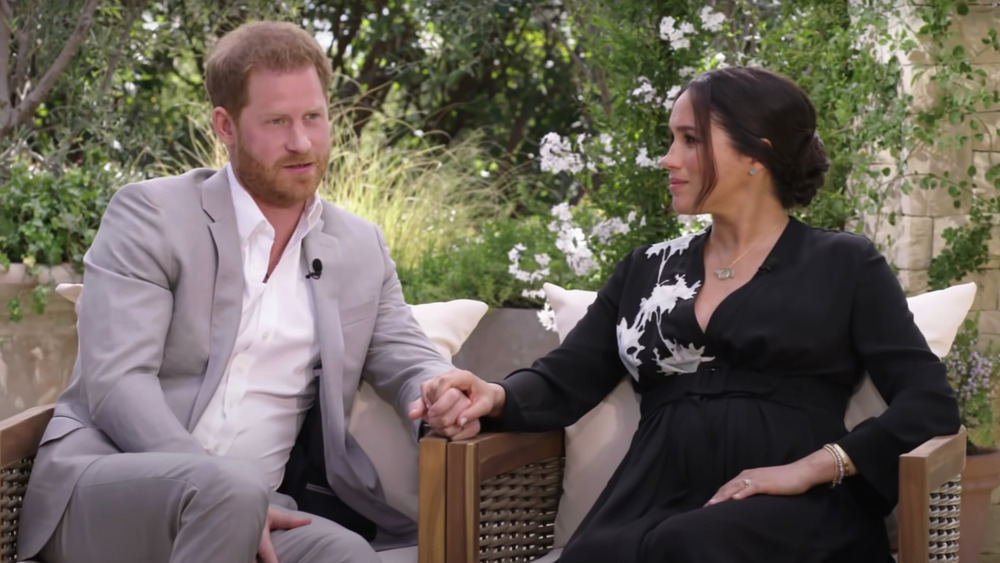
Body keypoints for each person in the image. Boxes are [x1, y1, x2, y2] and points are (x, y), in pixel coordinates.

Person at [409, 67, 961, 562]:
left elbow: (929, 404)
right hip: (651, 499)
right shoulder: (645, 270)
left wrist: (812, 469)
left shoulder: (843, 263)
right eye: (672, 139)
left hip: (795, 510)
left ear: (754, 156)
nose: (668, 158)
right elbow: (565, 378)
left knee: (692, 544)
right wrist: (492, 394)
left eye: (690, 140)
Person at [17, 20, 475, 563]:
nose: (301, 141)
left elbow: (403, 353)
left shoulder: (359, 247)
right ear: (225, 126)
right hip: (109, 490)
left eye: (313, 118)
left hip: (261, 508)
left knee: (345, 553)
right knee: (229, 490)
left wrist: (438, 388)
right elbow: (117, 383)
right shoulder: (152, 215)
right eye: (277, 121)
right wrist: (219, 483)